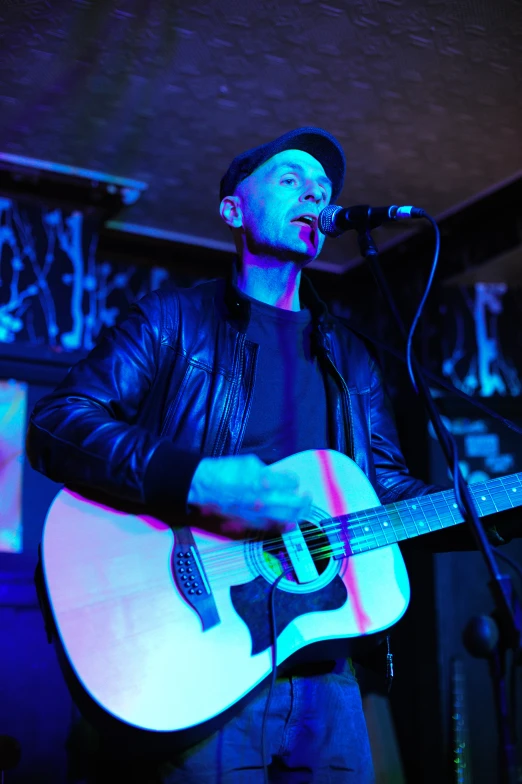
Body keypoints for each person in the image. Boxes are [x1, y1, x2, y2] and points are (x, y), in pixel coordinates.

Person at [25, 127, 467, 783]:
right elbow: (58, 424)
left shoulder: (352, 357)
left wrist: (492, 506)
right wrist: (196, 481)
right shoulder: (170, 320)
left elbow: (387, 494)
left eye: (323, 188)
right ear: (234, 209)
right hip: (201, 660)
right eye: (291, 179)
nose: (315, 193)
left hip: (326, 672)